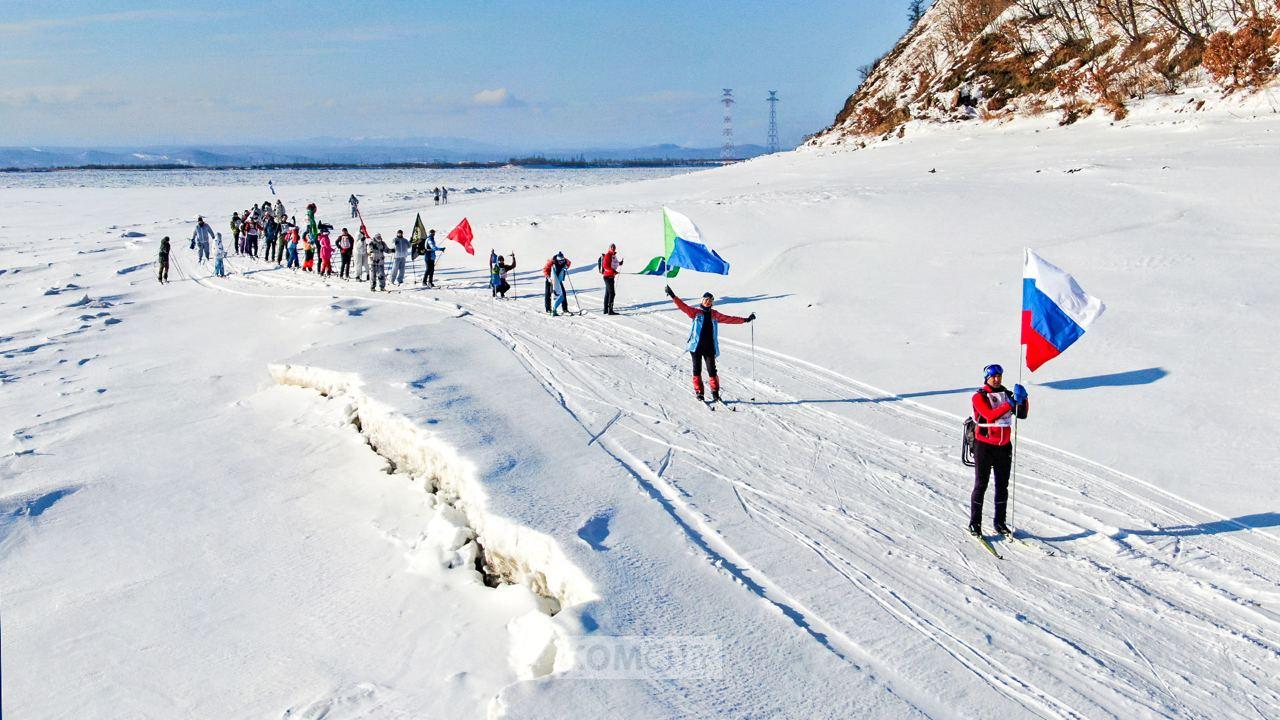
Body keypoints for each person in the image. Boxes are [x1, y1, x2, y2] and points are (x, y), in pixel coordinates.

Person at [664, 286, 755, 402]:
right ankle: (699, 392)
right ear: (702, 301)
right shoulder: (695, 313)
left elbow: (729, 319)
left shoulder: (715, 314)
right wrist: (672, 295)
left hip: (709, 347)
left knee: (712, 371)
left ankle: (715, 393)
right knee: (697, 370)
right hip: (696, 347)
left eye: (710, 300)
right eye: (706, 300)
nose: (708, 302)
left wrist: (745, 320)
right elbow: (683, 306)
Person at [968, 364, 1029, 537]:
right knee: (981, 484)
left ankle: (1000, 522)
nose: (997, 379)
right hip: (984, 446)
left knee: (1002, 486)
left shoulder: (1006, 394)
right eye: (993, 376)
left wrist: (1023, 399)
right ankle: (975, 523)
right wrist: (1009, 404)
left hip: (1003, 447)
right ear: (986, 378)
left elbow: (1022, 414)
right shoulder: (979, 396)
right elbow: (989, 415)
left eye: (999, 376)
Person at [600, 243, 623, 314]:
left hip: (611, 276)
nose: (613, 248)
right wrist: (613, 271)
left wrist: (620, 263)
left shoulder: (613, 255)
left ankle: (605, 310)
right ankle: (610, 310)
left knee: (608, 293)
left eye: (614, 247)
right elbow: (605, 266)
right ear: (609, 248)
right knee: (612, 293)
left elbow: (614, 263)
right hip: (608, 277)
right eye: (612, 247)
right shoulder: (608, 255)